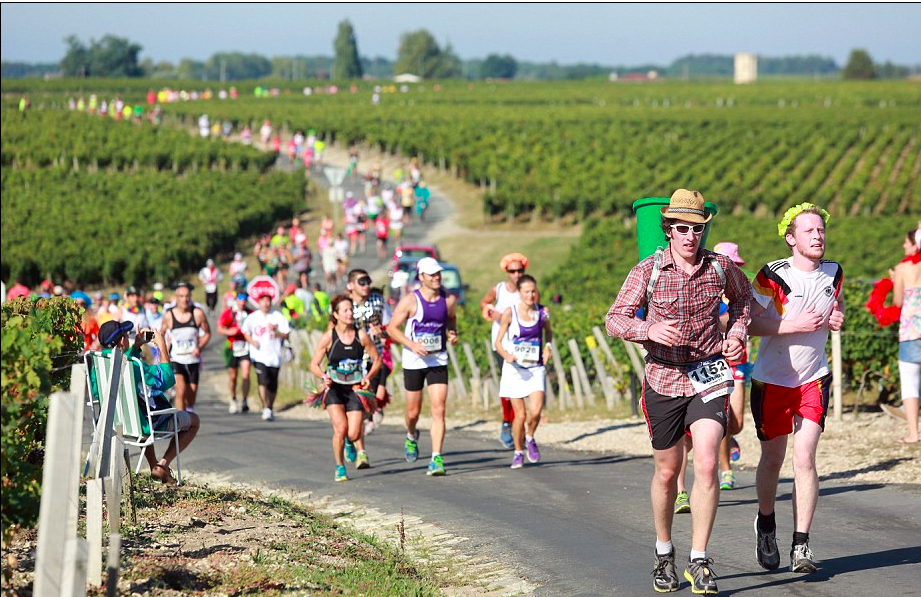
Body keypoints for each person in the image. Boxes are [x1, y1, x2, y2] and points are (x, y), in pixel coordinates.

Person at [605, 189, 751, 595]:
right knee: (668, 472)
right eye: (682, 228)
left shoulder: (720, 267)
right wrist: (646, 329)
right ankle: (664, 552)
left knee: (706, 462)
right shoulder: (647, 270)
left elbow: (744, 301)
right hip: (663, 379)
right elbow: (614, 318)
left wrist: (735, 334)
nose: (691, 236)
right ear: (668, 229)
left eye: (698, 229)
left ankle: (700, 559)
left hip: (708, 374)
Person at [748, 202, 844, 576]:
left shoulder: (834, 272)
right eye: (809, 231)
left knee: (805, 459)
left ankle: (801, 544)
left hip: (813, 378)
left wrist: (837, 317)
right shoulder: (772, 275)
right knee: (773, 459)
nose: (817, 236)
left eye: (820, 230)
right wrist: (790, 325)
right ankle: (766, 523)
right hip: (772, 379)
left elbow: (836, 307)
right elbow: (748, 324)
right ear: (791, 239)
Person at [97, 320, 199, 486]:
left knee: (142, 409)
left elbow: (121, 364)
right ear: (122, 341)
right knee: (194, 421)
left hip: (113, 423)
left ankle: (154, 465)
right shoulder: (134, 367)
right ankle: (162, 465)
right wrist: (162, 346)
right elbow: (167, 379)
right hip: (141, 426)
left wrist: (136, 347)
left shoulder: (99, 364)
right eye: (126, 336)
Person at [387, 257, 458, 477]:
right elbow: (391, 329)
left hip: (437, 359)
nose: (436, 278)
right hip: (414, 361)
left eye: (438, 274)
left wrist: (453, 333)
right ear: (421, 277)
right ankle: (410, 435)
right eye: (432, 275)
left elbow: (452, 318)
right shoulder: (410, 301)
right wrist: (411, 344)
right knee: (413, 411)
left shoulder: (448, 299)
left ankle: (436, 457)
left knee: (439, 409)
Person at [310, 294, 382, 481]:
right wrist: (323, 376)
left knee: (354, 432)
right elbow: (314, 364)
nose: (350, 313)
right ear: (336, 314)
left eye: (351, 310)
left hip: (355, 389)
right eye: (345, 310)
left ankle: (351, 443)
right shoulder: (329, 337)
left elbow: (377, 360)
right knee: (341, 429)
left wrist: (368, 377)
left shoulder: (361, 336)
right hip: (334, 388)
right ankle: (340, 466)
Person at [494, 274, 553, 469]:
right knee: (519, 416)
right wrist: (506, 355)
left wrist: (548, 348)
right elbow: (498, 342)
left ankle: (530, 437)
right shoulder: (510, 313)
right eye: (526, 292)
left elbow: (549, 334)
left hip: (535, 368)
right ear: (519, 293)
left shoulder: (543, 312)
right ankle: (518, 451)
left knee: (535, 411)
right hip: (514, 370)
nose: (531, 295)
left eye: (533, 291)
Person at [712, 242, 752, 490]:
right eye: (731, 265)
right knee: (723, 420)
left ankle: (731, 439)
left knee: (737, 423)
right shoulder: (711, 292)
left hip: (740, 363)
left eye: (737, 265)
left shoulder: (741, 293)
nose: (734, 270)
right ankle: (726, 471)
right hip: (715, 366)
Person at [480, 253, 528, 449]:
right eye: (512, 271)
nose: (516, 274)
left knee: (524, 387)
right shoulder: (498, 289)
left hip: (523, 345)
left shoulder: (528, 290)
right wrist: (493, 313)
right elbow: (484, 303)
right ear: (506, 272)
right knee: (508, 384)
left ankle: (519, 425)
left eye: (519, 271)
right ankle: (507, 422)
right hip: (501, 344)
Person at [348, 269, 393, 434]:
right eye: (362, 282)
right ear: (351, 285)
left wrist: (381, 332)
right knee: (354, 398)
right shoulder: (345, 304)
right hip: (352, 358)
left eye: (368, 282)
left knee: (369, 395)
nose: (366, 286)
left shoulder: (378, 301)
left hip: (375, 357)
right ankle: (355, 430)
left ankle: (367, 417)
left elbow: (391, 327)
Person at [889, 228, 921, 443]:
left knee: (910, 382)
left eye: (907, 243)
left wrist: (894, 280)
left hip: (911, 331)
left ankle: (913, 433)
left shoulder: (902, 268)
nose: (903, 246)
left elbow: (898, 302)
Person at [160, 282, 211, 412]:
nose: (185, 299)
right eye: (181, 296)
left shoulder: (197, 313)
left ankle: (189, 412)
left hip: (192, 360)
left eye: (187, 296)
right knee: (180, 391)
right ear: (176, 298)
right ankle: (181, 423)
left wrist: (199, 347)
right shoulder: (169, 315)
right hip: (177, 359)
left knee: (191, 398)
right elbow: (161, 334)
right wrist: (164, 350)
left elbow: (208, 333)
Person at [241, 289, 291, 421]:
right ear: (259, 302)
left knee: (272, 384)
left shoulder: (277, 316)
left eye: (268, 300)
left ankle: (270, 406)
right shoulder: (253, 317)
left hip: (274, 355)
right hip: (258, 355)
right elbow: (245, 331)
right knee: (262, 381)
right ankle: (265, 407)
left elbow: (286, 334)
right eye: (263, 301)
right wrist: (252, 341)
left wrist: (277, 331)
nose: (266, 303)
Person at [217, 292, 253, 414]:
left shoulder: (250, 313)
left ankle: (245, 401)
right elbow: (219, 328)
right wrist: (229, 332)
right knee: (233, 376)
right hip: (232, 347)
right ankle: (233, 399)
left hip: (246, 347)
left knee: (246, 374)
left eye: (244, 300)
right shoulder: (229, 313)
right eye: (240, 300)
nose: (242, 303)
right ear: (236, 300)